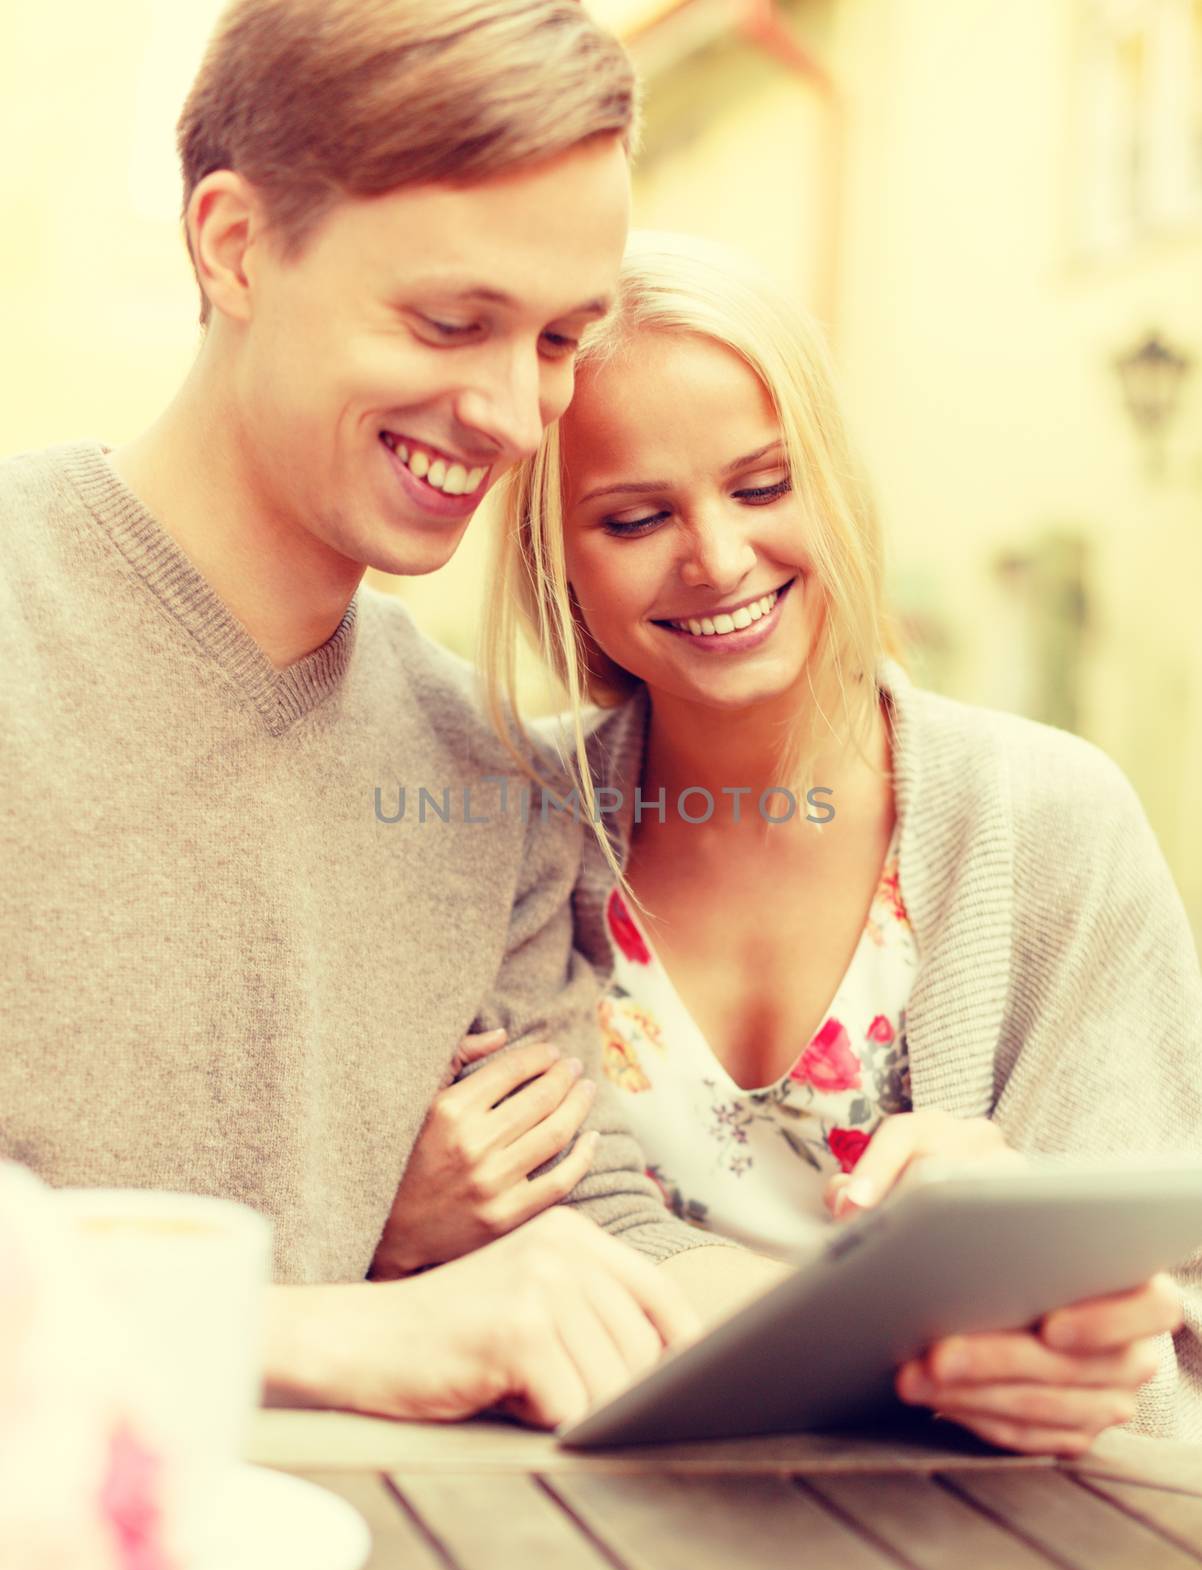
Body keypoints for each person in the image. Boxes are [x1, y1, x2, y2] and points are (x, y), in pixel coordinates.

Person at [0, 5, 779, 1435]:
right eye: (447, 321)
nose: (511, 414)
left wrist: (923, 1331)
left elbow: (586, 1222)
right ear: (233, 246)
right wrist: (313, 1329)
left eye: (556, 339)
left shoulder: (482, 771)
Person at [420, 231, 1198, 1453]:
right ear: (557, 563)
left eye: (762, 486)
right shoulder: (513, 823)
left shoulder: (1051, 819)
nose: (717, 557)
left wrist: (1073, 1307)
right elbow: (484, 1236)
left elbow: (1167, 1327)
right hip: (584, 1531)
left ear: (831, 480)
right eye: (632, 517)